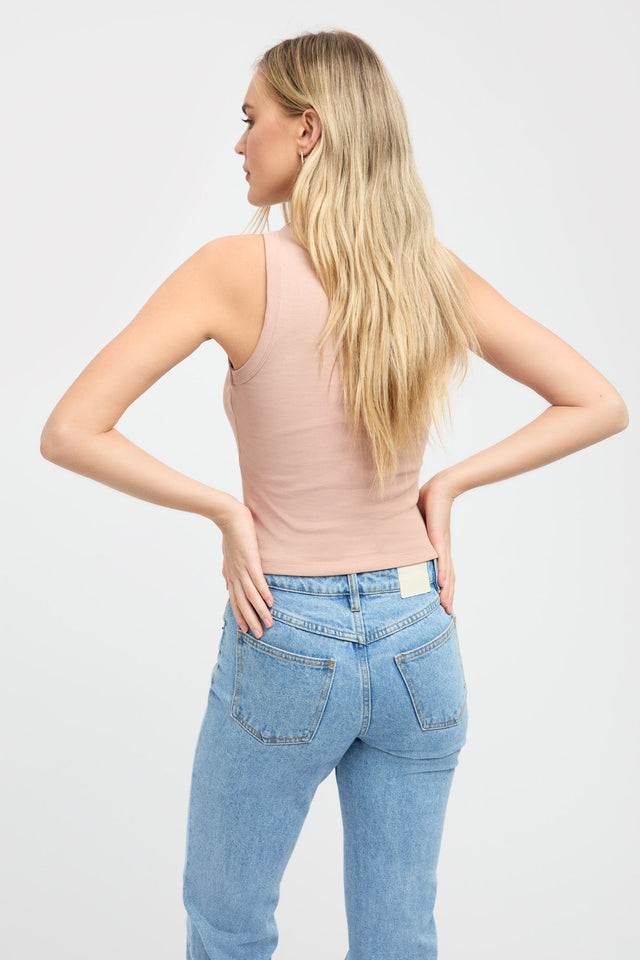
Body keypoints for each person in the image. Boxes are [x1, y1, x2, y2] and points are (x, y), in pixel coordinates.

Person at [40, 28, 629, 960]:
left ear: (307, 130)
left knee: (227, 928)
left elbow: (70, 429)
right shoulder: (427, 271)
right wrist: (448, 486)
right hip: (420, 637)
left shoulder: (232, 270)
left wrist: (225, 511)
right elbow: (599, 402)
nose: (240, 142)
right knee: (399, 940)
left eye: (252, 119)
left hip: (289, 634)